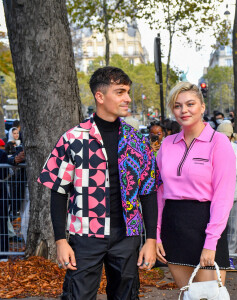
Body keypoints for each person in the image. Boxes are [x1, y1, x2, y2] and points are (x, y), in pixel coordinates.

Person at [38, 66, 158, 300]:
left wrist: (151, 239)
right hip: (85, 235)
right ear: (100, 96)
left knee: (126, 296)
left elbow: (148, 192)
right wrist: (61, 241)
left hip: (127, 235)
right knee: (77, 296)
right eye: (121, 92)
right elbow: (58, 191)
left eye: (128, 92)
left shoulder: (137, 141)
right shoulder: (73, 138)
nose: (128, 98)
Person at [156, 82, 236, 288]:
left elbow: (223, 196)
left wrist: (211, 243)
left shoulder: (219, 143)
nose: (184, 110)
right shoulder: (167, 144)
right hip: (173, 226)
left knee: (208, 295)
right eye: (177, 105)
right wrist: (155, 234)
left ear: (202, 107)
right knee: (186, 294)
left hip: (206, 225)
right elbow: (159, 192)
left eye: (190, 104)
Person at [217, 122, 237, 270]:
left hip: (234, 194)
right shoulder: (212, 147)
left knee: (234, 228)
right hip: (216, 196)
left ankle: (230, 257)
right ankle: (219, 257)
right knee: (218, 227)